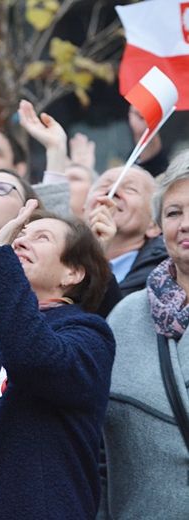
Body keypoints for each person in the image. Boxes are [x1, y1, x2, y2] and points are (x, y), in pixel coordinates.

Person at [0, 202, 115, 519]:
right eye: (20, 235)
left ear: (74, 272)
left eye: (42, 237)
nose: (21, 241)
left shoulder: (89, 337)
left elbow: (32, 359)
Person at [100, 164, 189, 519]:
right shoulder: (125, 316)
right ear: (159, 227)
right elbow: (99, 447)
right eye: (173, 212)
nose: (184, 223)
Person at [84, 165, 166, 296]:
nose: (112, 190)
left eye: (130, 189)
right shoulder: (61, 257)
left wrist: (97, 262)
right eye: (103, 186)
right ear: (84, 209)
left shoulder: (164, 275)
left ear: (154, 225)